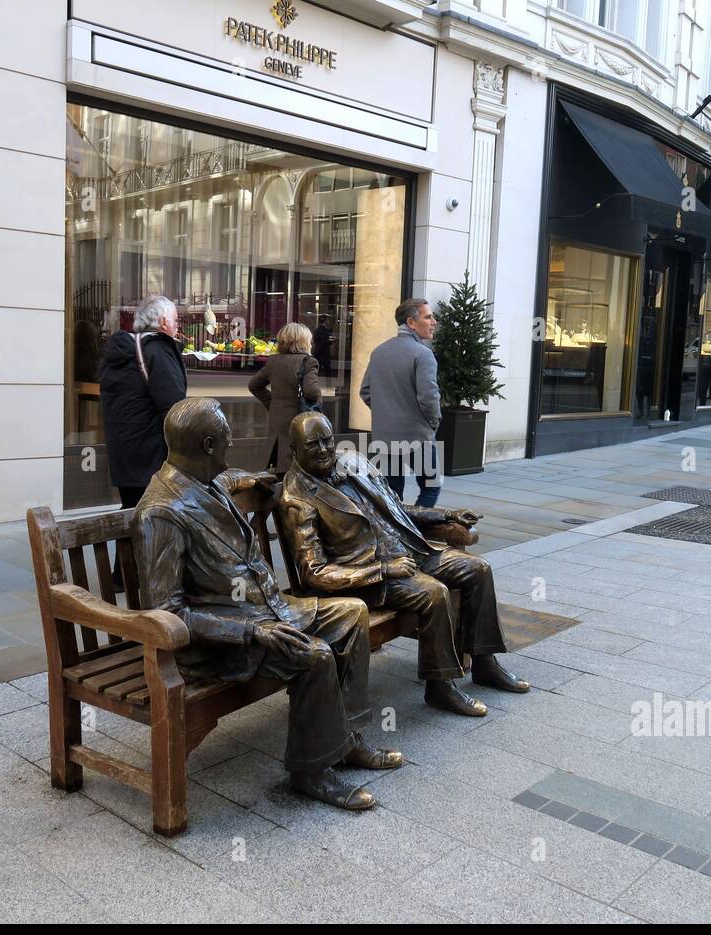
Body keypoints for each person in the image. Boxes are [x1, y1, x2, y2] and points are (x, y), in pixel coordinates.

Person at [132, 399, 403, 813]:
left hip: (268, 610)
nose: (231, 446)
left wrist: (253, 478)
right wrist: (251, 631)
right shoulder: (161, 513)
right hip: (219, 644)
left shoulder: (205, 479)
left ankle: (347, 740)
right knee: (314, 656)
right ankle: (311, 771)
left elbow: (229, 479)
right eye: (226, 441)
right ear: (207, 445)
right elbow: (167, 613)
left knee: (351, 614)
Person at [280, 412, 526, 719]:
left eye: (327, 440)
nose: (324, 449)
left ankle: (485, 662)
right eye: (313, 444)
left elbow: (397, 509)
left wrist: (446, 516)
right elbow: (313, 572)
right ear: (293, 449)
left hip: (410, 549)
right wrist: (383, 570)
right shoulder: (296, 498)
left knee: (478, 569)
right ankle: (440, 686)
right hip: (369, 575)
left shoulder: (352, 462)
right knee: (433, 592)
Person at [99, 295, 187, 512]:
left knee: (132, 512)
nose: (177, 326)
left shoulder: (119, 351)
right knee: (156, 520)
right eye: (176, 320)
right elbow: (174, 407)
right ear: (164, 322)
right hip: (153, 456)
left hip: (123, 454)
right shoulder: (157, 350)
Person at [359, 298, 442, 506]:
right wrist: (433, 423)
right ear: (411, 322)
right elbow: (429, 397)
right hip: (418, 436)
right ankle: (416, 533)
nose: (434, 322)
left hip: (385, 436)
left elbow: (365, 391)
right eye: (428, 316)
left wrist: (386, 413)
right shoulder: (424, 354)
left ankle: (398, 535)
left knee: (392, 494)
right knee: (431, 487)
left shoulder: (379, 351)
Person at [247, 322, 322, 473]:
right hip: (300, 424)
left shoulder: (273, 361)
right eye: (309, 340)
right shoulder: (308, 362)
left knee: (279, 467)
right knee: (299, 470)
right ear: (303, 342)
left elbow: (254, 385)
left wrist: (273, 403)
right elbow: (311, 392)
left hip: (277, 422)